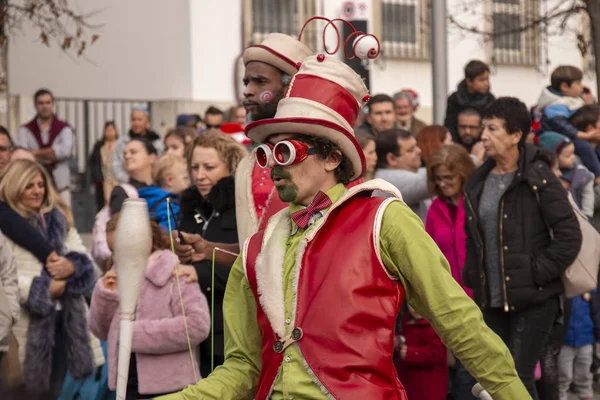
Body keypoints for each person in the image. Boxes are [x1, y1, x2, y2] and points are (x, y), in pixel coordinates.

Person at [158, 53, 530, 400]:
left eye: (286, 152)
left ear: (334, 156)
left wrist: (513, 393)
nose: (274, 168)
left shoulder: (385, 220)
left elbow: (458, 322)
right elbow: (242, 368)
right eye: (267, 155)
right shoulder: (257, 248)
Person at [462, 97, 582, 399]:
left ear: (516, 135)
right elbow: (474, 236)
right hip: (492, 301)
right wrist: (472, 276)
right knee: (497, 376)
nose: (484, 136)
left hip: (535, 299)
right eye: (483, 128)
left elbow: (570, 235)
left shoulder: (538, 177)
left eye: (492, 129)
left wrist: (535, 273)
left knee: (517, 375)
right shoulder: (478, 181)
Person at [0, 159, 104, 399]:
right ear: (14, 187)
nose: (37, 191)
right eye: (29, 186)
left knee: (57, 392)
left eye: (40, 185)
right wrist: (43, 289)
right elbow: (7, 276)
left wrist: (71, 267)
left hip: (66, 320)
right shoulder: (7, 226)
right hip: (26, 325)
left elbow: (86, 261)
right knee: (24, 391)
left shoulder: (58, 219)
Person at [88, 214, 210, 399]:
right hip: (126, 382)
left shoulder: (173, 273)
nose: (118, 256)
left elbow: (197, 325)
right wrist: (107, 296)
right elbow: (101, 331)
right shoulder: (115, 275)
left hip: (171, 387)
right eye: (113, 250)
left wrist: (134, 334)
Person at [176, 132, 247, 378]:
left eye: (209, 167)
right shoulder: (191, 205)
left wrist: (198, 272)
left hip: (227, 331)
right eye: (194, 167)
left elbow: (247, 264)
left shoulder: (243, 207)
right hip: (191, 328)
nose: (200, 175)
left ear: (231, 165)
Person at [234, 32, 313, 245]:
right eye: (246, 82)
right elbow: (253, 254)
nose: (247, 92)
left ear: (290, 88)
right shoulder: (247, 163)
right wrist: (207, 249)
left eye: (260, 82)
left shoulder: (318, 159)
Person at [425, 144, 478, 399]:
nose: (443, 183)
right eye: (438, 179)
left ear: (464, 174)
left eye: (449, 177)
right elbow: (428, 256)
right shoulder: (435, 208)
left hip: (480, 300)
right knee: (458, 376)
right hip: (450, 303)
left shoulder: (477, 203)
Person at [538, 65, 600, 182]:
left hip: (569, 135)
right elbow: (560, 125)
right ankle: (597, 176)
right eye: (578, 83)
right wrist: (583, 135)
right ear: (564, 86)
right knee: (585, 147)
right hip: (558, 138)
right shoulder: (555, 104)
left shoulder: (568, 99)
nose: (581, 86)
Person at [16, 89, 74, 206]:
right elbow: (21, 154)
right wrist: (50, 153)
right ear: (35, 105)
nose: (45, 106)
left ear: (53, 104)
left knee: (64, 219)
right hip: (33, 186)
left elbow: (64, 151)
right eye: (41, 103)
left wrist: (35, 153)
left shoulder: (64, 128)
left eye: (48, 102)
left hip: (61, 185)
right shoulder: (25, 130)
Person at [374, 128, 430, 221]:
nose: (419, 150)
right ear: (392, 159)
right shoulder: (389, 179)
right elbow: (435, 178)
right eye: (411, 150)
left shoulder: (408, 172)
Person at [395, 305, 447, 400]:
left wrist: (411, 353)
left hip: (428, 387)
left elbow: (436, 353)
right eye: (411, 305)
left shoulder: (434, 326)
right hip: (409, 383)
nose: (416, 309)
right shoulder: (407, 321)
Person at [538, 132, 595, 218]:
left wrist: (587, 214)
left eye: (573, 153)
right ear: (553, 157)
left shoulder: (580, 172)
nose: (573, 158)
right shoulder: (545, 176)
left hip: (581, 216)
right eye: (568, 155)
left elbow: (587, 194)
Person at [558, 290, 600, 400]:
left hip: (585, 339)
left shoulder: (589, 288)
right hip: (565, 342)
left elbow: (596, 313)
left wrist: (591, 298)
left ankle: (586, 395)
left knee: (584, 376)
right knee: (563, 377)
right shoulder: (562, 288)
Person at [444, 60, 495, 142]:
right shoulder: (455, 99)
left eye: (487, 79)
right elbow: (450, 126)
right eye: (481, 80)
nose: (486, 83)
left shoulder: (490, 100)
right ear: (469, 81)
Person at [138, 154, 190, 231]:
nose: (189, 183)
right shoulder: (170, 205)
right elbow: (166, 231)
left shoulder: (149, 197)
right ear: (169, 180)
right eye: (185, 178)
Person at [112, 108, 164, 183]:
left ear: (147, 121)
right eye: (133, 120)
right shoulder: (122, 142)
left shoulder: (157, 142)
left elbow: (160, 164)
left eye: (139, 120)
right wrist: (129, 180)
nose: (136, 123)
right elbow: (116, 165)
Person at [110, 138, 158, 215]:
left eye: (133, 152)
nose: (127, 156)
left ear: (152, 158)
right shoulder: (121, 191)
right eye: (125, 154)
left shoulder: (165, 187)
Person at [89, 121, 120, 212]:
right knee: (105, 202)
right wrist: (97, 175)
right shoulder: (99, 146)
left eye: (112, 130)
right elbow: (93, 162)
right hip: (104, 178)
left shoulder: (120, 144)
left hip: (117, 178)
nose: (110, 132)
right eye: (107, 130)